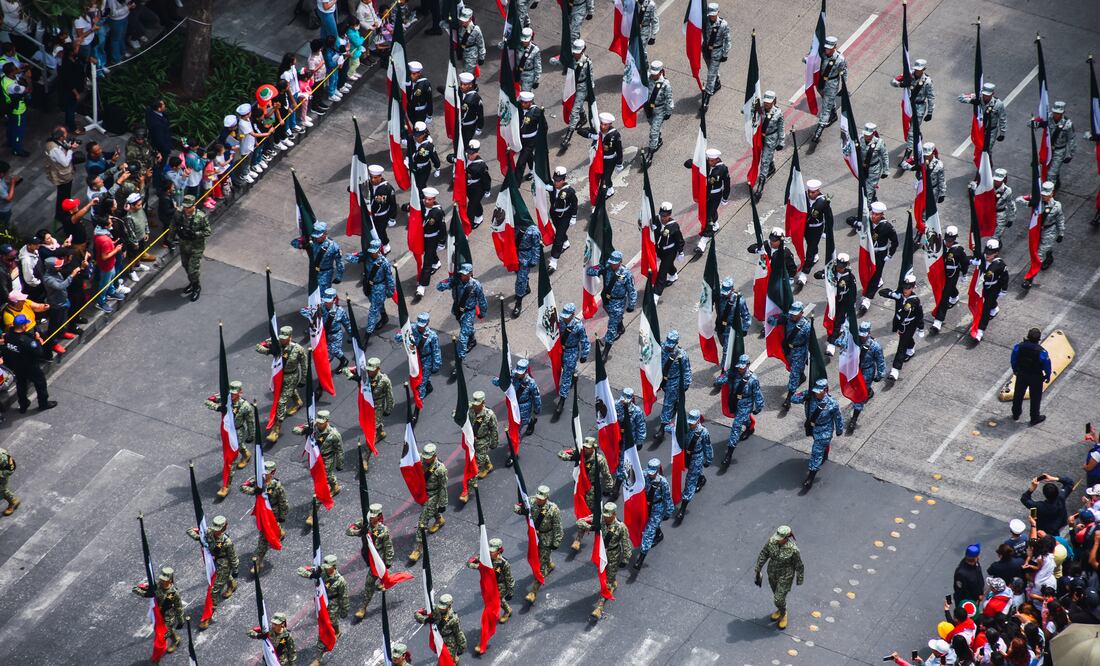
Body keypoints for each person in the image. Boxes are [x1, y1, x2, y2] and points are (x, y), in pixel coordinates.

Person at [558, 437, 614, 550]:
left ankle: (581, 537)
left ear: (594, 448)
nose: (586, 449)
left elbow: (606, 474)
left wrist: (609, 487)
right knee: (582, 511)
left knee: (592, 512)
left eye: (588, 448)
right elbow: (561, 455)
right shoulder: (580, 453)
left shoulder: (599, 460)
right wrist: (572, 455)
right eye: (585, 447)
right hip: (580, 487)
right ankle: (582, 532)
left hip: (592, 489)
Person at [790, 379, 844, 490]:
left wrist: (839, 430)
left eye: (819, 391)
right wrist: (805, 395)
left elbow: (838, 418)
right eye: (815, 391)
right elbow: (793, 399)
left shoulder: (832, 404)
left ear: (825, 390)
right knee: (821, 449)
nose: (816, 393)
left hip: (825, 430)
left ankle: (810, 476)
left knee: (816, 452)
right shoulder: (810, 396)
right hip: (812, 427)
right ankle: (825, 451)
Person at [186, 514, 239, 629]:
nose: (216, 532)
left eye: (219, 530)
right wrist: (199, 533)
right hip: (211, 561)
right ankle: (232, 584)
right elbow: (190, 531)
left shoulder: (227, 542)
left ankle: (207, 617)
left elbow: (233, 557)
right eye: (215, 529)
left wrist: (235, 569)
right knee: (222, 580)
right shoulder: (208, 532)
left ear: (224, 528)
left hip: (223, 565)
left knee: (213, 591)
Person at [204, 380, 254, 497]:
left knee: (230, 459)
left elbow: (251, 422)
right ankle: (246, 454)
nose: (232, 395)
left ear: (240, 393)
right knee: (239, 448)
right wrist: (218, 407)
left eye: (234, 393)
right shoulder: (225, 398)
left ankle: (226, 486)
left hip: (237, 432)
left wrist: (251, 436)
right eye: (231, 393)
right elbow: (207, 401)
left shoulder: (245, 406)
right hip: (226, 430)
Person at [296, 554, 348, 664]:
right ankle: (337, 631)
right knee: (332, 623)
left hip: (332, 605)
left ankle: (318, 659)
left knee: (324, 628)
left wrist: (344, 610)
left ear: (334, 567)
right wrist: (312, 575)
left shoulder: (340, 581)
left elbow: (343, 597)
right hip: (321, 603)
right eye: (325, 566)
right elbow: (300, 570)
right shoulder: (321, 572)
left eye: (328, 567)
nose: (326, 569)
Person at [516, 484, 562, 603]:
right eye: (538, 498)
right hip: (534, 536)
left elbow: (558, 527)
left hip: (546, 538)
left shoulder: (553, 509)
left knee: (540, 565)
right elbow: (517, 507)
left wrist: (556, 541)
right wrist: (521, 510)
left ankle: (533, 591)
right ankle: (549, 564)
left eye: (541, 499)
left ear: (546, 498)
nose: (539, 500)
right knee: (539, 557)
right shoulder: (531, 501)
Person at [585, 501, 632, 620]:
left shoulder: (620, 527)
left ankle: (599, 607)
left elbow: (626, 543)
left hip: (613, 555)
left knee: (606, 581)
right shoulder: (600, 519)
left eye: (608, 516)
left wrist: (626, 559)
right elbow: (581, 521)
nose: (606, 519)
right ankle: (612, 583)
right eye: (605, 516)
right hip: (601, 554)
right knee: (603, 576)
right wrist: (590, 526)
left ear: (614, 514)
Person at [240, 460, 288, 574]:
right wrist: (254, 490)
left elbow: (283, 502)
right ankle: (279, 531)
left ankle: (258, 561)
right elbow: (242, 487)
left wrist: (282, 516)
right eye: (263, 472)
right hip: (261, 511)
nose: (265, 475)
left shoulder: (276, 485)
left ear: (273, 472)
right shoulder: (257, 480)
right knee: (268, 531)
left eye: (267, 473)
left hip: (272, 513)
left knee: (264, 538)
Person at [346, 502, 393, 617]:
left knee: (369, 582)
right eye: (370, 515)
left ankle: (363, 608)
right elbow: (348, 531)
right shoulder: (364, 522)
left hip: (377, 558)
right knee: (378, 575)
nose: (371, 518)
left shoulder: (383, 530)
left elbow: (388, 546)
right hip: (367, 554)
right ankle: (383, 579)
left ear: (379, 516)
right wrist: (359, 532)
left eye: (374, 516)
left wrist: (388, 562)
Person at [2, 314, 57, 412]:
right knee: (40, 383)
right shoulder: (27, 340)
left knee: (21, 384)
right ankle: (43, 403)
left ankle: (23, 405)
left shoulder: (8, 336)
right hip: (30, 366)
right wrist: (38, 341)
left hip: (16, 365)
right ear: (23, 326)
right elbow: (39, 353)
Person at [263, 326, 308, 443]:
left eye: (285, 338)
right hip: (278, 375)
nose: (282, 340)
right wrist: (269, 350)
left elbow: (304, 365)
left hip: (291, 376)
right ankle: (298, 402)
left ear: (290, 337)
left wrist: (303, 379)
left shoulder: (298, 349)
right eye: (281, 338)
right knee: (287, 392)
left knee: (281, 402)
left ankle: (276, 428)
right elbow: (259, 347)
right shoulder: (275, 342)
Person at [754, 525, 804, 630]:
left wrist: (799, 579)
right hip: (772, 572)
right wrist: (758, 568)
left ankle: (783, 613)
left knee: (778, 598)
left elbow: (799, 565)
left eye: (780, 539)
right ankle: (780, 608)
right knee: (776, 594)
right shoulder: (772, 541)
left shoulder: (793, 549)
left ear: (786, 538)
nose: (777, 540)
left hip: (785, 576)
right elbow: (764, 554)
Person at [467, 537, 514, 646]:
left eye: (492, 551)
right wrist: (474, 562)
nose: (490, 552)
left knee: (491, 606)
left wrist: (510, 592)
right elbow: (470, 564)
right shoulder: (485, 557)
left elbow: (509, 578)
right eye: (489, 550)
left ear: (499, 551)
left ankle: (487, 630)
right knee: (499, 601)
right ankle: (508, 610)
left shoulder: (504, 563)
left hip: (499, 586)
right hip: (488, 586)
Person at [718, 353, 764, 464]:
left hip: (746, 404)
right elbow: (718, 382)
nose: (740, 369)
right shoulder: (734, 374)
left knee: (736, 426)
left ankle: (729, 454)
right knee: (743, 419)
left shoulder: (752, 379)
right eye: (739, 367)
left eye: (743, 367)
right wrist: (727, 374)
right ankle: (749, 426)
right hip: (734, 402)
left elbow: (758, 394)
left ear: (748, 365)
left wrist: (758, 407)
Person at [587, 250, 636, 349]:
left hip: (619, 302)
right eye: (611, 263)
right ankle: (620, 327)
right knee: (615, 317)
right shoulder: (606, 267)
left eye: (615, 263)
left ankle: (606, 350)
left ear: (620, 262)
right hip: (607, 300)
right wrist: (599, 267)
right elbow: (590, 272)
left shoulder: (626, 274)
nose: (612, 265)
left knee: (612, 326)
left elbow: (631, 290)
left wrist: (632, 304)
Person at [408, 442, 448, 562]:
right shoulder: (420, 459)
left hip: (433, 495)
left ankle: (418, 549)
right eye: (424, 456)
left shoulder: (440, 469)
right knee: (429, 511)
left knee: (422, 521)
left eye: (428, 457)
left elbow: (443, 487)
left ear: (434, 455)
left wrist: (443, 504)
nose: (425, 459)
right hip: (423, 492)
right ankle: (439, 519)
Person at [768, 301, 811, 410]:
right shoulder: (787, 318)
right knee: (793, 368)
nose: (793, 316)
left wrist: (810, 355)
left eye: (795, 314)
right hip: (788, 350)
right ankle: (802, 376)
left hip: (799, 351)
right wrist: (779, 319)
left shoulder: (806, 326)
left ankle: (789, 398)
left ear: (802, 313)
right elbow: (770, 320)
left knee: (794, 374)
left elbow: (811, 343)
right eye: (792, 313)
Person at [857, 201, 898, 314]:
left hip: (880, 254)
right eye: (873, 214)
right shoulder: (868, 222)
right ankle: (874, 283)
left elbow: (895, 242)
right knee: (866, 271)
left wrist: (890, 255)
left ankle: (867, 299)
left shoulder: (887, 226)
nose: (873, 216)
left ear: (882, 215)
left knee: (876, 274)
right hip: (869, 252)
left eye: (876, 214)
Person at [131, 566, 184, 652]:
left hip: (168, 616)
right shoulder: (157, 586)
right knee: (168, 631)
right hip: (158, 614)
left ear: (170, 580)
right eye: (161, 579)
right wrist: (137, 589)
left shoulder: (173, 593)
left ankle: (158, 654)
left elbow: (179, 607)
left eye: (164, 580)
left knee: (162, 636)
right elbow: (146, 592)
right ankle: (176, 639)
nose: (162, 581)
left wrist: (181, 621)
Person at [446, 263, 487, 370]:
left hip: (469, 312)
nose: (463, 276)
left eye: (466, 274)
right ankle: (472, 339)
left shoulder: (475, 285)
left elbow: (482, 299)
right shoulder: (456, 281)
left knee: (463, 337)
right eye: (462, 274)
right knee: (467, 330)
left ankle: (458, 362)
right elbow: (440, 287)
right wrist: (450, 281)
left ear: (470, 274)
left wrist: (483, 312)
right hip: (458, 310)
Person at [891, 58, 935, 160]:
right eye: (916, 69)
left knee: (911, 131)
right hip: (908, 105)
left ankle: (908, 152)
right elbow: (892, 81)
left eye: (919, 69)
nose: (917, 71)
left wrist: (930, 112)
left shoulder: (927, 81)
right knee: (909, 126)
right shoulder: (908, 75)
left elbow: (931, 97)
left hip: (919, 107)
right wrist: (901, 84)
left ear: (924, 69)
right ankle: (917, 133)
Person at [929, 226, 969, 333]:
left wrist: (964, 274)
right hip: (941, 273)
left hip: (952, 274)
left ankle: (938, 322)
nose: (948, 242)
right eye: (947, 239)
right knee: (949, 290)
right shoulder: (940, 244)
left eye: (951, 240)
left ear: (955, 238)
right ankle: (955, 295)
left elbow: (965, 262)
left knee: (944, 295)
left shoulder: (958, 249)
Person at [302, 288, 353, 372]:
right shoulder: (320, 306)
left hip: (335, 336)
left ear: (334, 300)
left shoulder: (340, 311)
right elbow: (304, 311)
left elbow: (347, 325)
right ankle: (344, 360)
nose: (326, 304)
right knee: (335, 351)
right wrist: (312, 311)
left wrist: (352, 336)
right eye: (325, 301)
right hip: (323, 334)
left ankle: (323, 382)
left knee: (327, 358)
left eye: (328, 302)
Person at [634, 458, 673, 569]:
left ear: (657, 471)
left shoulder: (662, 482)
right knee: (649, 525)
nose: (650, 474)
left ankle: (640, 559)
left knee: (648, 533)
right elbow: (633, 476)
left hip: (657, 508)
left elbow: (667, 497)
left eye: (653, 472)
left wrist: (669, 511)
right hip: (645, 506)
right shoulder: (643, 474)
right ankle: (659, 534)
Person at [846, 321, 885, 433]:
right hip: (855, 370)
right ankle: (868, 392)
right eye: (860, 335)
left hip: (867, 371)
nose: (862, 337)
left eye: (864, 335)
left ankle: (854, 418)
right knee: (858, 390)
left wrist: (880, 374)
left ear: (869, 333)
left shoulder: (874, 346)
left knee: (859, 395)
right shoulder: (854, 341)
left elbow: (880, 360)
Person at [397, 312, 440, 407]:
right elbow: (398, 338)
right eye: (419, 325)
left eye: (422, 326)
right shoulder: (411, 328)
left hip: (426, 361)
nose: (420, 328)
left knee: (419, 387)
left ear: (427, 323)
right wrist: (403, 332)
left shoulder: (432, 336)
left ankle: (417, 408)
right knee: (422, 380)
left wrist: (436, 365)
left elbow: (436, 351)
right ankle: (427, 384)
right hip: (414, 361)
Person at [676, 409, 712, 521]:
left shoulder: (703, 432)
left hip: (697, 457)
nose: (690, 424)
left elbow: (707, 446)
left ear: (697, 421)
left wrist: (709, 459)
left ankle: (682, 508)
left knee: (689, 481)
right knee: (694, 473)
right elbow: (678, 433)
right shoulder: (687, 428)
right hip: (687, 456)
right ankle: (701, 478)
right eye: (689, 422)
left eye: (692, 422)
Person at [655, 331, 692, 443]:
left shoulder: (682, 355)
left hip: (674, 382)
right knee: (672, 401)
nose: (669, 347)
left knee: (667, 404)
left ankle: (662, 429)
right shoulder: (661, 348)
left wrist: (686, 384)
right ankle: (675, 405)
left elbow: (687, 371)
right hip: (662, 380)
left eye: (671, 345)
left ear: (676, 343)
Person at [692, 148, 730, 256]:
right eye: (709, 160)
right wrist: (692, 164)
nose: (709, 162)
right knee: (711, 212)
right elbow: (698, 166)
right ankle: (715, 223)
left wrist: (725, 198)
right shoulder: (707, 164)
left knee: (707, 215)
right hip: (705, 194)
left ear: (717, 159)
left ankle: (703, 242)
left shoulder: (722, 169)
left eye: (711, 161)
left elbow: (727, 183)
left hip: (715, 195)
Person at [1010, 327, 1051, 425]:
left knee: (1018, 395)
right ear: (1038, 339)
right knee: (1035, 398)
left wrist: (1015, 370)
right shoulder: (1042, 352)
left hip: (1022, 374)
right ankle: (1034, 417)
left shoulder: (1019, 346)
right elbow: (1047, 365)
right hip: (1036, 377)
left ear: (1028, 336)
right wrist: (1048, 376)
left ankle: (1016, 414)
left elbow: (1013, 359)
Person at [174, 195, 211, 302]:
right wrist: (171, 237)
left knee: (192, 269)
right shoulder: (180, 213)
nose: (186, 209)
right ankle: (192, 282)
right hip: (184, 244)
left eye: (188, 207)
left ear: (194, 206)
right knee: (185, 265)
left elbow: (208, 231)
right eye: (184, 207)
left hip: (196, 246)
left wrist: (195, 233)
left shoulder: (201, 216)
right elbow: (174, 223)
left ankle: (196, 287)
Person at [291, 221, 344, 296]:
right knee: (313, 292)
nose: (317, 238)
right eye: (316, 236)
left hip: (326, 273)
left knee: (323, 294)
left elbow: (339, 263)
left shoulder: (333, 246)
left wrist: (339, 276)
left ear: (325, 233)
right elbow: (293, 242)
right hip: (314, 271)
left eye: (319, 236)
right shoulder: (312, 240)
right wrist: (301, 245)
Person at [554, 303, 589, 415]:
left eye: (567, 316)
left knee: (566, 377)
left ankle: (562, 400)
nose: (565, 317)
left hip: (571, 351)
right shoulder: (560, 321)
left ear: (573, 314)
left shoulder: (578, 326)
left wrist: (584, 354)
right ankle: (573, 373)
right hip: (560, 350)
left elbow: (584, 340)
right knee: (564, 369)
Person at [810, 36, 847, 142]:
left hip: (831, 84)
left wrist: (843, 88)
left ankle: (818, 132)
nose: (827, 50)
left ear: (835, 47)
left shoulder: (840, 59)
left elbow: (844, 73)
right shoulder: (822, 54)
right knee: (827, 101)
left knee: (825, 108)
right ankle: (834, 114)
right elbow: (813, 61)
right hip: (821, 82)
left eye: (829, 48)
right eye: (826, 47)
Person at [1032, 100, 1077, 188]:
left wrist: (1071, 154)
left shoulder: (1067, 124)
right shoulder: (1047, 117)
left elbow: (1071, 139)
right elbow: (1032, 124)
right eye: (1054, 112)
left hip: (1059, 151)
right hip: (1047, 149)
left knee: (1051, 174)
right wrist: (1036, 123)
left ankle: (1049, 193)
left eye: (1058, 113)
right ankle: (1056, 180)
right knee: (1044, 169)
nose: (1055, 115)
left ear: (1063, 113)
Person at [577, 113, 623, 196]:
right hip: (598, 158)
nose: (602, 126)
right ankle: (610, 188)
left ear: (610, 124)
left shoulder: (615, 135)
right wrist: (591, 135)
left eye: (605, 125)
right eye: (601, 124)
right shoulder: (597, 130)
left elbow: (619, 150)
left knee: (605, 178)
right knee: (601, 175)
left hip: (610, 160)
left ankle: (606, 192)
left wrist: (619, 164)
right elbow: (580, 130)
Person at [797, 180, 831, 288]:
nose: (811, 194)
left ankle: (804, 274)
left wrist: (826, 231)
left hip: (816, 228)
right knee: (809, 243)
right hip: (805, 226)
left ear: (818, 191)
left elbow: (828, 217)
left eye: (813, 192)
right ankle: (815, 254)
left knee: (810, 249)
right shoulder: (804, 197)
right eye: (809, 192)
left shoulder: (823, 201)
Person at [973, 239, 1008, 339]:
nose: (988, 254)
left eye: (991, 253)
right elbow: (971, 257)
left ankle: (980, 330)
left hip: (993, 288)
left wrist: (1003, 290)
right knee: (989, 303)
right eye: (987, 251)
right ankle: (995, 307)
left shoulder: (1000, 264)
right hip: (982, 286)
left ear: (996, 253)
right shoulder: (983, 258)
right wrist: (973, 261)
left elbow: (1005, 278)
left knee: (986, 308)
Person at [752, 91, 784, 199]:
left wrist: (781, 142)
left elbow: (781, 128)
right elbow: (745, 111)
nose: (766, 104)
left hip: (771, 139)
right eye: (765, 102)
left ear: (774, 101)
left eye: (769, 102)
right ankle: (771, 166)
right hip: (759, 138)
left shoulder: (778, 113)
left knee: (764, 161)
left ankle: (760, 187)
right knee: (765, 157)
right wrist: (752, 106)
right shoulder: (759, 108)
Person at [414, 593, 466, 659]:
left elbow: (458, 633)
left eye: (443, 608)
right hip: (437, 638)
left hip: (449, 642)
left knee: (446, 661)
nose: (441, 609)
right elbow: (417, 613)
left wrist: (461, 647)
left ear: (449, 606)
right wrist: (425, 620)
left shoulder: (453, 619)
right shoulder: (434, 609)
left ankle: (454, 659)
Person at [415, 186, 445, 298]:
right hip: (420, 237)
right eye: (425, 199)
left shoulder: (438, 212)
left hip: (432, 238)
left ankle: (421, 287)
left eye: (429, 199)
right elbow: (412, 208)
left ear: (434, 199)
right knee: (429, 254)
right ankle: (436, 262)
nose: (427, 201)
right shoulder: (420, 204)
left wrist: (442, 242)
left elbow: (442, 227)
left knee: (427, 262)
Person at [560, 40, 591, 147]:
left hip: (582, 88)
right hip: (571, 87)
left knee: (574, 112)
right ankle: (583, 117)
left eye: (578, 52)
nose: (576, 54)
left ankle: (568, 136)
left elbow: (590, 78)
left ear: (583, 50)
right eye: (575, 52)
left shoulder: (587, 62)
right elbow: (562, 61)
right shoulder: (571, 59)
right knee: (575, 105)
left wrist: (590, 92)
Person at [45, 126, 79, 223]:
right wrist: (71, 150)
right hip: (62, 176)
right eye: (65, 134)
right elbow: (65, 162)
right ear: (60, 137)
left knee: (64, 194)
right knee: (63, 195)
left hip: (62, 173)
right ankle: (62, 214)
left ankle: (64, 210)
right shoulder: (54, 149)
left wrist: (69, 147)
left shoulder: (55, 142)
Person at [958, 82, 1007, 149]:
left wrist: (1002, 133)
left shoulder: (998, 104)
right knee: (978, 148)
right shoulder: (977, 97)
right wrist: (971, 100)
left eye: (988, 95)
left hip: (991, 131)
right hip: (979, 129)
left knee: (987, 151)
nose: (985, 97)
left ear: (992, 94)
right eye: (984, 94)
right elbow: (960, 97)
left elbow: (1002, 119)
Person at [467, 390, 499, 491]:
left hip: (483, 440)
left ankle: (467, 490)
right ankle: (488, 465)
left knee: (475, 465)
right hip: (471, 439)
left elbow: (494, 430)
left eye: (478, 404)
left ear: (483, 403)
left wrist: (494, 443)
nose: (475, 406)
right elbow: (458, 412)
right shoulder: (470, 408)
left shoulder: (489, 415)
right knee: (479, 455)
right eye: (474, 404)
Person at [643, 61, 673, 163]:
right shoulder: (647, 77)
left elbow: (669, 99)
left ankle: (650, 154)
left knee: (653, 132)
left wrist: (668, 112)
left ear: (661, 72)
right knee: (652, 125)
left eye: (655, 74)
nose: (653, 76)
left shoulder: (665, 84)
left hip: (660, 110)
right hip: (648, 108)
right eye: (652, 74)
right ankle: (658, 139)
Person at [653, 202, 684, 297]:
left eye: (665, 216)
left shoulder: (673, 226)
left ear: (669, 215)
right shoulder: (656, 220)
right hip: (659, 250)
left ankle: (655, 296)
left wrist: (681, 252)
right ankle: (673, 274)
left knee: (662, 273)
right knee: (668, 265)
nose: (663, 218)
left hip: (670, 252)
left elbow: (679, 239)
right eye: (662, 215)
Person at [512, 222, 541, 317]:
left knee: (520, 280)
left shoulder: (533, 230)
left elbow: (537, 246)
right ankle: (526, 288)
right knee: (518, 274)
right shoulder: (513, 223)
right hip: (515, 255)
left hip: (525, 257)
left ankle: (518, 303)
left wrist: (534, 260)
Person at [701, 3, 730, 97]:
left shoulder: (723, 24)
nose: (712, 17)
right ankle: (717, 82)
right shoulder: (704, 21)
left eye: (714, 15)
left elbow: (727, 40)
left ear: (718, 13)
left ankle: (707, 95)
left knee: (710, 75)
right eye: (710, 15)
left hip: (717, 52)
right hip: (706, 50)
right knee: (711, 68)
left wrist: (725, 54)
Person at [515, 91, 545, 180]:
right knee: (528, 156)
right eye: (522, 102)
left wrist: (541, 140)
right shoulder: (519, 107)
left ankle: (516, 185)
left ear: (530, 102)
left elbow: (544, 126)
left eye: (525, 103)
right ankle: (534, 170)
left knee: (521, 163)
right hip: (520, 138)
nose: (523, 104)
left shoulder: (536, 112)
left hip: (530, 140)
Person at [363, 357, 393, 441]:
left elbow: (389, 396)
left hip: (378, 405)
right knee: (372, 422)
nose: (369, 372)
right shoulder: (366, 375)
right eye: (368, 369)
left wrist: (388, 410)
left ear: (378, 369)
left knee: (372, 427)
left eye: (372, 370)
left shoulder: (384, 380)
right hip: (368, 404)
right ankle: (381, 433)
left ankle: (369, 446)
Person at [1, 61, 28, 156]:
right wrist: (28, 78)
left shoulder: (4, 78)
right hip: (18, 110)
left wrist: (21, 70)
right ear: (11, 73)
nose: (18, 69)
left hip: (10, 108)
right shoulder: (13, 87)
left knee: (11, 127)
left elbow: (16, 75)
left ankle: (10, 142)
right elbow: (27, 90)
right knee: (19, 131)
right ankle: (17, 149)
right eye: (15, 69)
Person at [463, 139, 491, 227]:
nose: (469, 155)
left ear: (477, 153)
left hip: (477, 188)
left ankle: (468, 226)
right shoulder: (464, 157)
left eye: (472, 153)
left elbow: (486, 178)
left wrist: (487, 190)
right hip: (468, 187)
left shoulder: (481, 165)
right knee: (474, 203)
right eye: (469, 152)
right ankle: (479, 216)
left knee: (470, 209)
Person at [990, 168, 1018, 242]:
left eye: (998, 181)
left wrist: (1011, 218)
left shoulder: (1007, 191)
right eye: (995, 180)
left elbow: (1011, 204)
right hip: (989, 213)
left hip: (1000, 214)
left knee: (996, 236)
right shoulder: (988, 186)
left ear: (1003, 180)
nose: (996, 182)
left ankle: (994, 247)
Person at [953, 543, 983, 609]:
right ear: (974, 558)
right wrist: (975, 598)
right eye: (977, 556)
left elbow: (979, 577)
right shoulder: (961, 574)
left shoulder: (976, 563)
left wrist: (980, 592)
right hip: (966, 602)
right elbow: (961, 591)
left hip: (976, 598)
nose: (979, 557)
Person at [457, 8, 485, 75]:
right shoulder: (460, 26)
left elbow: (481, 44)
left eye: (465, 20)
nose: (463, 22)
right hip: (462, 51)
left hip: (471, 53)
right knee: (466, 69)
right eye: (462, 20)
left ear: (470, 19)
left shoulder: (476, 30)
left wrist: (482, 57)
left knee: (467, 74)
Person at [406, 61, 433, 127]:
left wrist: (429, 115)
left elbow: (429, 100)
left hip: (420, 112)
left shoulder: (425, 84)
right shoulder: (409, 81)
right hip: (410, 109)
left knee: (420, 130)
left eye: (413, 74)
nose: (411, 76)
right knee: (414, 126)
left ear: (419, 74)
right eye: (410, 73)